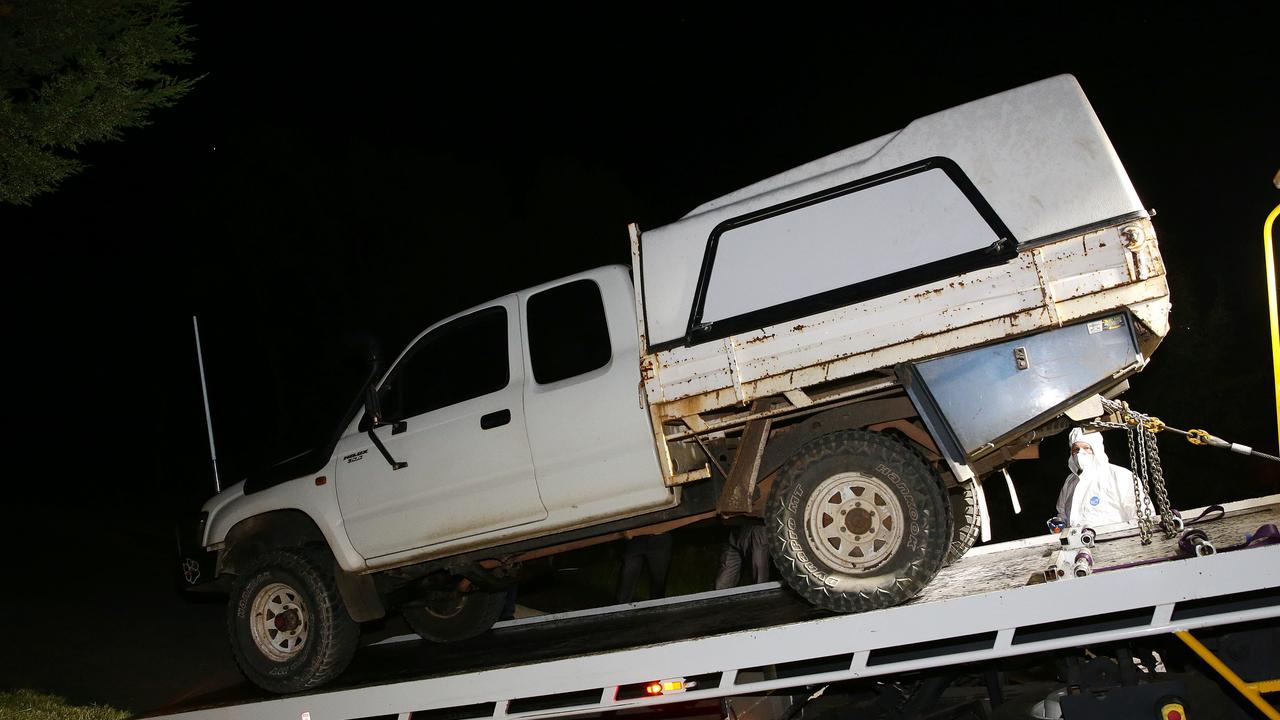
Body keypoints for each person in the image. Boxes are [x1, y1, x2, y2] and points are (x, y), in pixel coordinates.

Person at [1055, 428, 1154, 527]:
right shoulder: (1070, 481)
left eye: (1086, 448)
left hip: (1115, 540)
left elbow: (1142, 515)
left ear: (1096, 449)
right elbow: (1062, 514)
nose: (1080, 453)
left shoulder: (1119, 475)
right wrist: (1059, 525)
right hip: (1076, 541)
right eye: (1076, 449)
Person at [615, 532, 673, 604]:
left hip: (660, 540)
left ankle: (657, 609)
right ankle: (620, 609)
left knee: (658, 581)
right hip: (633, 540)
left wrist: (663, 527)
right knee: (626, 578)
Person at [714, 521, 771, 590]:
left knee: (760, 580)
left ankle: (763, 599)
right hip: (734, 530)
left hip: (756, 527)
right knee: (721, 583)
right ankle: (721, 599)